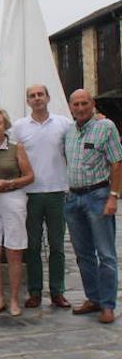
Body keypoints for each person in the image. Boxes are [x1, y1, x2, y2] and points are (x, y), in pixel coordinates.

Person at [11, 85, 72, 309]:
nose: (37, 99)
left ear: (48, 98)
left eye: (40, 95)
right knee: (33, 246)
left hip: (57, 191)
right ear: (28, 101)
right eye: (32, 96)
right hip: (30, 194)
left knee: (57, 246)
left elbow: (72, 151)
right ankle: (35, 291)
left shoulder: (64, 124)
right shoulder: (18, 127)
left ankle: (58, 291)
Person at [64, 89, 122, 324]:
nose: (80, 108)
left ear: (93, 104)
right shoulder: (68, 132)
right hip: (73, 199)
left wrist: (113, 196)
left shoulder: (106, 127)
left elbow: (117, 164)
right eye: (76, 104)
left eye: (84, 103)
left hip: (98, 196)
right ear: (70, 107)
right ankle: (93, 298)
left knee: (106, 254)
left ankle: (108, 305)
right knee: (83, 254)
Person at [0, 109, 34, 317]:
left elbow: (29, 177)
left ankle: (13, 300)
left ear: (5, 126)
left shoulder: (16, 148)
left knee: (14, 251)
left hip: (12, 199)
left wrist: (8, 183)